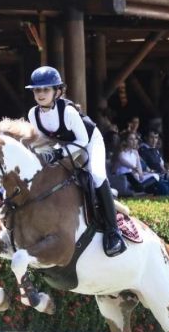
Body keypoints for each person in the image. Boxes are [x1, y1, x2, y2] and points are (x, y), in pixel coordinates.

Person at [25, 65, 126, 257]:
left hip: (89, 143)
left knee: (95, 175)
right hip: (63, 147)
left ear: (57, 91)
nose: (40, 94)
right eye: (37, 90)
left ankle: (114, 232)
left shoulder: (68, 112)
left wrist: (58, 154)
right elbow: (40, 142)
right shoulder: (33, 114)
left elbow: (82, 141)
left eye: (46, 89)